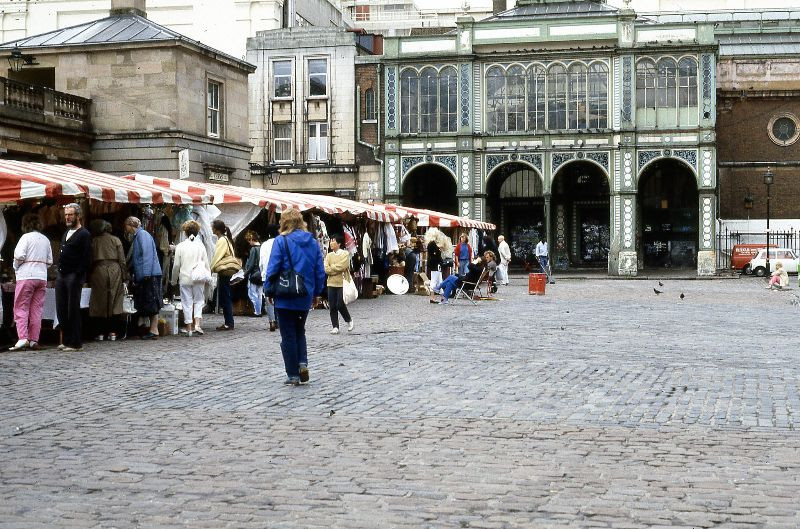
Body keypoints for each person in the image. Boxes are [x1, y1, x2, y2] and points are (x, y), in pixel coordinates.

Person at [265, 208, 326, 386]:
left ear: (284, 222)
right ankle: (302, 363)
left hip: (285, 294)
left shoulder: (281, 241)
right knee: (300, 330)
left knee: (288, 335)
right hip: (305, 294)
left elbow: (273, 268)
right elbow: (319, 270)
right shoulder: (312, 242)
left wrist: (269, 290)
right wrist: (316, 292)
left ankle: (293, 373)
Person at [10, 214, 53, 351]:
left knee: (21, 307)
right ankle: (34, 340)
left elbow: (19, 256)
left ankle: (23, 338)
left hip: (26, 275)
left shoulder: (25, 237)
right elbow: (50, 261)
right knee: (36, 309)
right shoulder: (45, 239)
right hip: (41, 277)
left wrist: (16, 267)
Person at [56, 203, 92, 352]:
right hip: (62, 274)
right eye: (66, 215)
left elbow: (86, 257)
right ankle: (66, 340)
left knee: (72, 309)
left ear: (78, 216)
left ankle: (75, 342)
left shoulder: (84, 234)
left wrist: (78, 273)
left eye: (70, 214)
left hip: (73, 275)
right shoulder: (66, 232)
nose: (67, 217)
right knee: (61, 308)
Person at [88, 219, 127, 341]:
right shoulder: (116, 240)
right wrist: (125, 276)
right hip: (115, 269)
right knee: (115, 300)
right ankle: (113, 332)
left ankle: (100, 332)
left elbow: (90, 259)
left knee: (99, 300)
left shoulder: (94, 241)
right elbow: (122, 260)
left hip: (99, 270)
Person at [125, 216, 163, 340]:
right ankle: (149, 328)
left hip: (149, 274)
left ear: (130, 225)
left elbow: (147, 255)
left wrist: (146, 273)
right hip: (146, 274)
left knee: (151, 301)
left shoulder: (142, 235)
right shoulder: (139, 235)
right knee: (148, 301)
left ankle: (154, 329)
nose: (126, 229)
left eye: (126, 226)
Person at [171, 220, 210, 336]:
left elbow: (176, 265)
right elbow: (206, 263)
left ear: (185, 232)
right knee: (199, 301)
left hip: (185, 278)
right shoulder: (200, 246)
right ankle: (197, 324)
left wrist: (173, 280)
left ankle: (188, 327)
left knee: (186, 303)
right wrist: (208, 276)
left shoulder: (180, 246)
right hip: (199, 277)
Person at [210, 219, 239, 331]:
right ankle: (229, 322)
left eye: (213, 227)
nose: (211, 229)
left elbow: (218, 255)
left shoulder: (222, 240)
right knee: (225, 295)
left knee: (224, 296)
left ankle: (229, 323)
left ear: (217, 229)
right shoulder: (226, 238)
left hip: (224, 271)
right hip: (226, 271)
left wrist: (211, 268)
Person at [324, 234, 354, 334]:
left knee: (340, 304)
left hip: (342, 282)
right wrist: (334, 269)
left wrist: (332, 267)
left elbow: (343, 266)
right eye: (330, 241)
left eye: (333, 241)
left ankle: (349, 319)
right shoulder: (329, 255)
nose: (331, 243)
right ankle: (335, 326)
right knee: (332, 306)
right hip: (331, 283)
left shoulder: (345, 254)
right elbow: (326, 269)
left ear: (339, 243)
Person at [259, 226, 279, 332]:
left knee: (268, 298)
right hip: (278, 274)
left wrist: (262, 272)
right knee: (278, 297)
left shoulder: (264, 245)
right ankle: (278, 320)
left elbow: (261, 262)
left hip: (266, 274)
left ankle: (271, 320)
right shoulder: (280, 243)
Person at [243, 230, 263, 317]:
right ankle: (259, 311)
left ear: (251, 239)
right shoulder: (262, 247)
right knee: (260, 293)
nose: (249, 242)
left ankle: (257, 311)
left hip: (254, 273)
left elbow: (251, 264)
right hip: (261, 273)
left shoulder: (253, 249)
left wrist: (245, 273)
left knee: (252, 293)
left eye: (249, 240)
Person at [425, 229, 444, 303]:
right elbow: (437, 255)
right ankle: (432, 297)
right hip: (435, 264)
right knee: (435, 281)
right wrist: (439, 250)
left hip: (435, 265)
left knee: (439, 281)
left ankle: (442, 297)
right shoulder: (432, 244)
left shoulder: (431, 244)